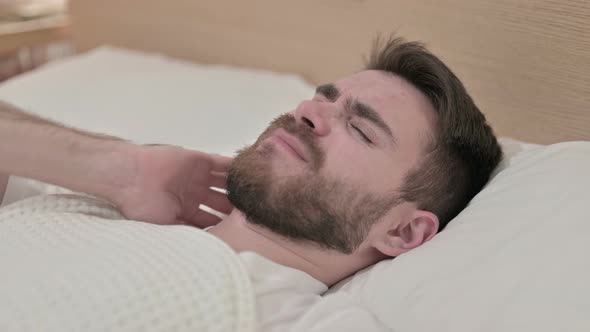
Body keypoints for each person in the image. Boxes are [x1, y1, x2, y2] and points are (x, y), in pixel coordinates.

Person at [0, 37, 502, 331]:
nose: (308, 112)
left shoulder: (299, 318)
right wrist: (117, 166)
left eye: (360, 128)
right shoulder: (95, 202)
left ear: (403, 233)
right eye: (321, 99)